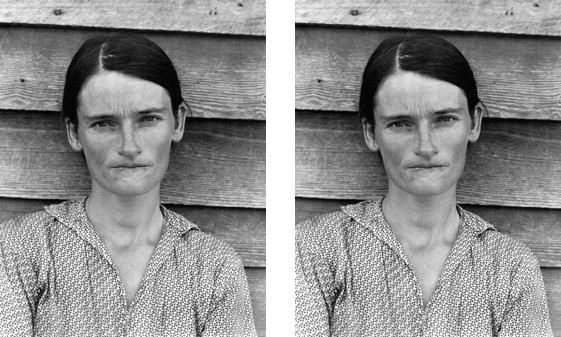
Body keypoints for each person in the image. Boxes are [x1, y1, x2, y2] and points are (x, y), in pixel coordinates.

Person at [295, 33, 553, 336]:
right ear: (370, 132)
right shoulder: (314, 249)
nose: (426, 146)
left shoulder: (510, 267)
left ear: (475, 122)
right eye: (400, 124)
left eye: (444, 119)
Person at [0, 33, 257, 336]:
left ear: (178, 122)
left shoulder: (213, 267)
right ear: (74, 132)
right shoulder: (19, 250)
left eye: (147, 119)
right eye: (104, 123)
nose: (129, 146)